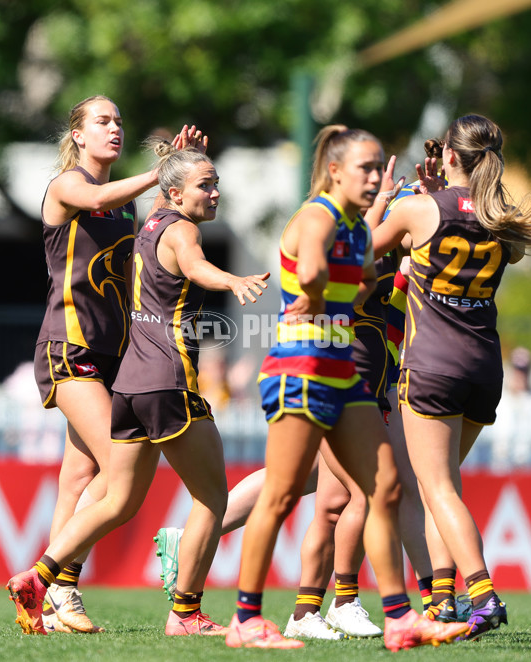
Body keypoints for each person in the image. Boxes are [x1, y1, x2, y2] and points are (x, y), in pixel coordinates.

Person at [6, 142, 270, 636]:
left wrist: (180, 158)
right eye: (205, 185)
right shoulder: (182, 228)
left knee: (117, 501)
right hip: (170, 382)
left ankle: (38, 576)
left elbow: (166, 223)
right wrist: (232, 280)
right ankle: (186, 616)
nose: (215, 193)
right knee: (212, 499)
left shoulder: (149, 226)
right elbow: (194, 266)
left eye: (216, 184)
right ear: (174, 192)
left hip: (129, 384)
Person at [223, 125, 469, 650]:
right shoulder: (316, 216)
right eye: (367, 168)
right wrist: (312, 285)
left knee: (384, 488)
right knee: (284, 493)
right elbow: (312, 269)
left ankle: (401, 620)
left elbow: (359, 290)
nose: (377, 176)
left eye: (380, 167)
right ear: (335, 170)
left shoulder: (357, 229)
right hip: (299, 367)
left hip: (342, 369)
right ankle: (246, 619)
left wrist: (390, 272)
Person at [370, 113, 531, 641]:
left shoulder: (418, 208)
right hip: (483, 367)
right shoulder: (503, 219)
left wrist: (390, 198)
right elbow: (512, 251)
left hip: (431, 365)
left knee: (436, 488)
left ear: (448, 155)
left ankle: (482, 593)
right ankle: (443, 600)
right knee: (442, 487)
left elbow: (359, 254)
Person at [29, 94, 206, 634]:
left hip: (116, 353)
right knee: (117, 470)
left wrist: (182, 181)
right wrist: (161, 172)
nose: (114, 128)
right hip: (70, 349)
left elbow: (159, 231)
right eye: (102, 121)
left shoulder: (129, 205)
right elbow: (100, 193)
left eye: (119, 120)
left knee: (78, 476)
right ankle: (58, 584)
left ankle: (51, 601)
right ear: (78, 134)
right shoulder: (67, 186)